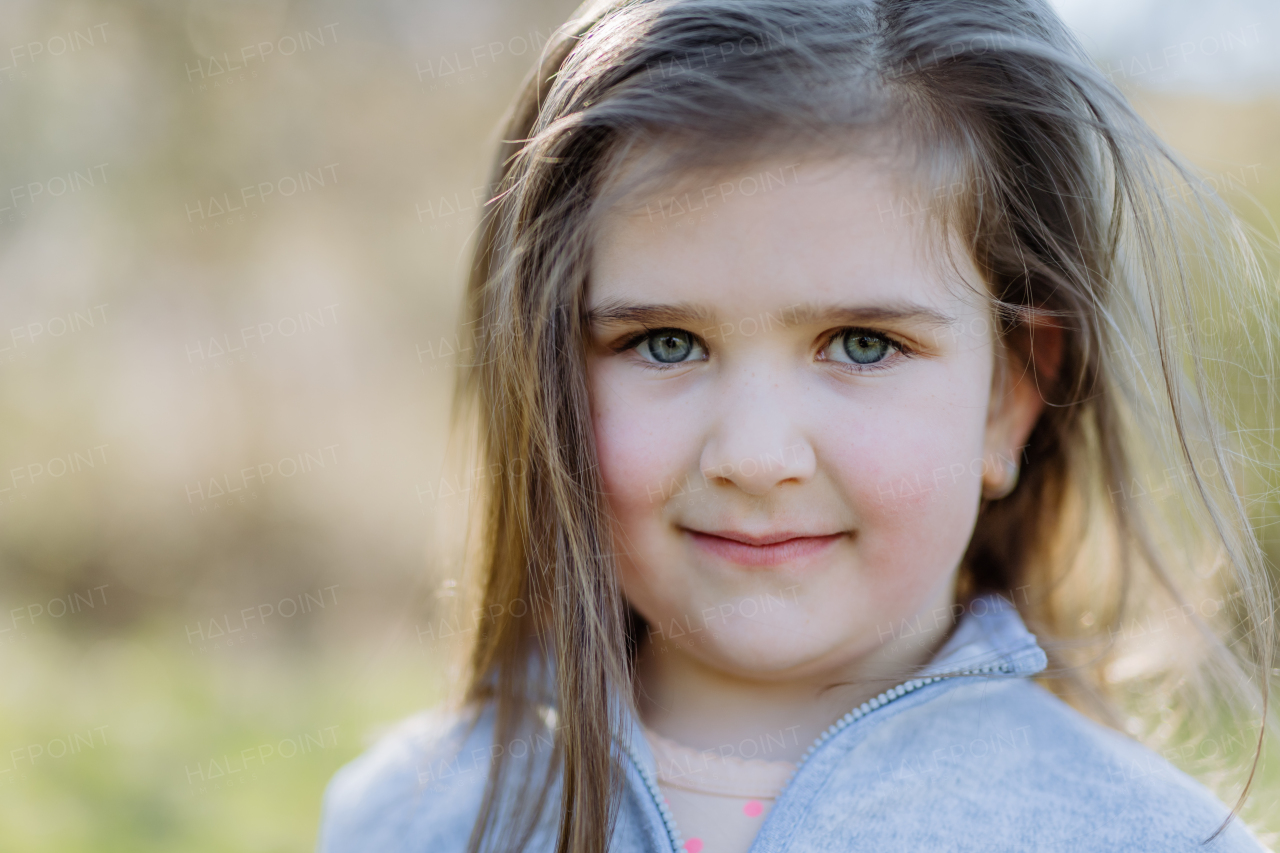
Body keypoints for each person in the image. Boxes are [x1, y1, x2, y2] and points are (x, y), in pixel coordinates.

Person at [318, 1, 1277, 850]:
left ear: (1010, 396)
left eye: (861, 344)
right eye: (663, 343)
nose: (754, 456)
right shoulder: (409, 817)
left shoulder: (1148, 837)